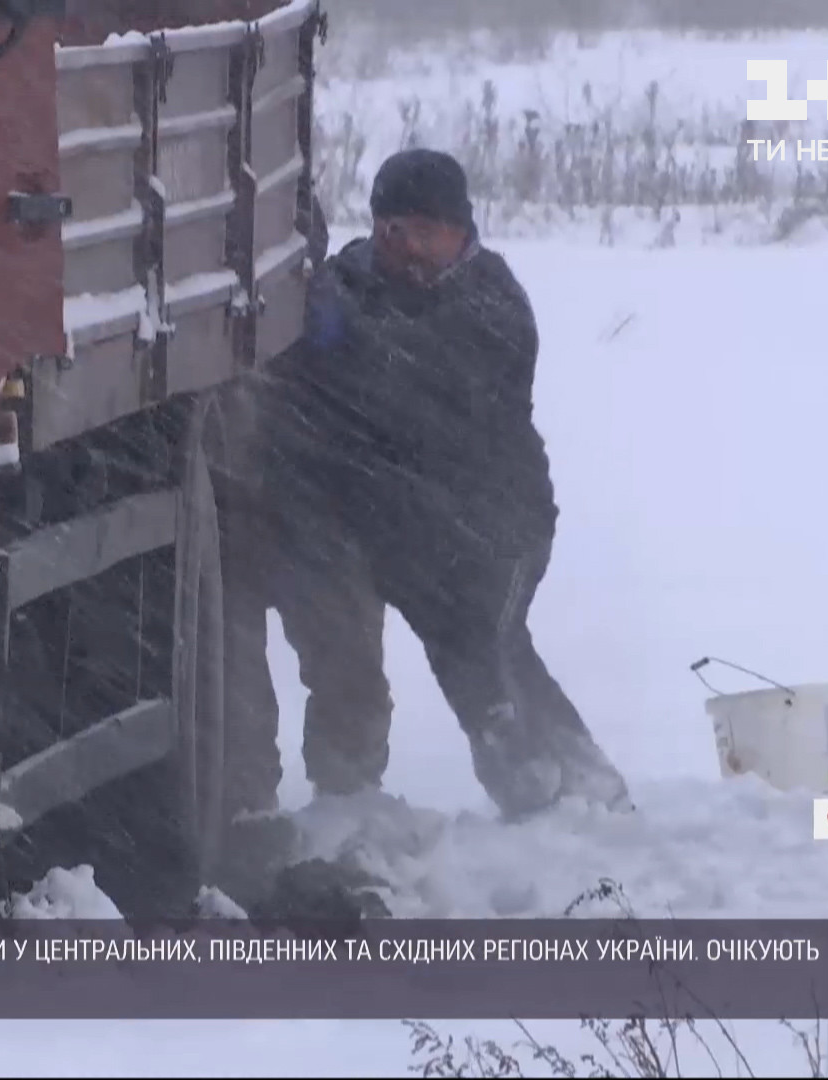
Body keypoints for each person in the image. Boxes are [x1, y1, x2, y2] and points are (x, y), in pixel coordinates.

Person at [220, 148, 631, 823]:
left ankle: (577, 800)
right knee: (350, 660)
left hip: (490, 526)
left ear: (460, 234)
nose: (404, 248)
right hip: (377, 516)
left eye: (422, 233)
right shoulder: (353, 279)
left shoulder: (493, 308)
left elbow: (404, 386)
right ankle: (349, 802)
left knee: (486, 658)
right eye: (390, 231)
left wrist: (333, 337)